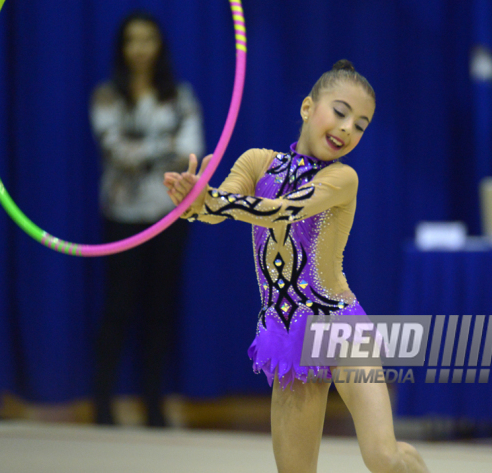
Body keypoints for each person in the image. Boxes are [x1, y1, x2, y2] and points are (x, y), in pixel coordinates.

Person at [164, 60, 429, 472]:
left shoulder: (343, 179)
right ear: (308, 107)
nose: (347, 129)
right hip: (287, 335)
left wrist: (212, 201)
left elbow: (278, 212)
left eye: (361, 124)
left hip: (340, 328)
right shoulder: (257, 162)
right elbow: (219, 209)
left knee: (384, 457)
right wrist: (195, 202)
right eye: (340, 112)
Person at [90, 12, 204, 427]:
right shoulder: (107, 95)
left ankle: (154, 406)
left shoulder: (180, 95)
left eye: (148, 39)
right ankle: (102, 406)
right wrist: (163, 145)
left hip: (168, 215)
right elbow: (116, 150)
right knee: (117, 309)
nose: (140, 48)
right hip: (121, 215)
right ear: (122, 48)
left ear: (160, 45)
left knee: (160, 311)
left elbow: (191, 151)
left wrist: (145, 148)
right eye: (132, 40)